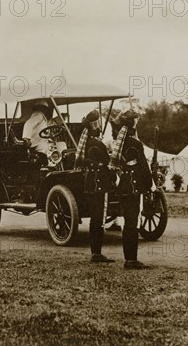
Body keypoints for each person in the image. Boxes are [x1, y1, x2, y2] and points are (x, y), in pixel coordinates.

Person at [109, 109, 153, 269]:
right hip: (134, 187)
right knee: (132, 224)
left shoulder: (119, 143)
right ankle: (131, 260)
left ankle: (129, 258)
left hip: (123, 187)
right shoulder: (135, 143)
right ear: (133, 123)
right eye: (136, 121)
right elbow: (143, 167)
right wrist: (149, 185)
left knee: (128, 223)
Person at [75, 110, 116, 263]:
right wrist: (113, 177)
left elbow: (83, 161)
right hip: (100, 184)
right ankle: (97, 253)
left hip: (91, 184)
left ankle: (95, 252)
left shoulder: (88, 143)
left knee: (95, 218)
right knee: (100, 219)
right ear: (95, 125)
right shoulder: (98, 144)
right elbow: (107, 164)